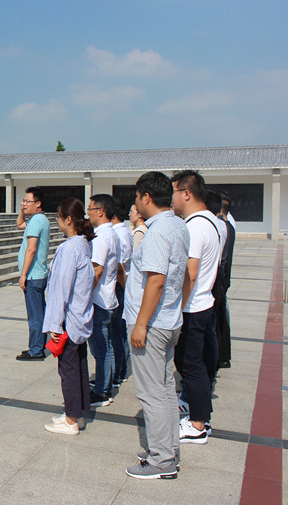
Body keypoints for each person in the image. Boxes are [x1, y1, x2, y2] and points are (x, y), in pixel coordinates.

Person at [123, 171, 188, 480]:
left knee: (151, 393)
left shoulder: (158, 232)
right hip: (168, 320)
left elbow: (156, 281)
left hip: (151, 324)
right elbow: (184, 276)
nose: (136, 202)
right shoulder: (178, 225)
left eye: (137, 197)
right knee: (164, 389)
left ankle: (161, 460)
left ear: (146, 197)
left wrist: (141, 324)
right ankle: (168, 449)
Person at [171, 170, 223, 446]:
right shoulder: (213, 222)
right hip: (205, 303)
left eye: (173, 192)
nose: (171, 199)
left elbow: (189, 274)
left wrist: (177, 310)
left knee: (190, 366)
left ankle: (197, 425)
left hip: (192, 307)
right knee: (197, 365)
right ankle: (198, 413)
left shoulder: (194, 227)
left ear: (186, 193)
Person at [42, 198, 95, 435]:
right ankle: (77, 413)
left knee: (69, 369)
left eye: (59, 217)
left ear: (68, 219)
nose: (57, 221)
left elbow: (61, 289)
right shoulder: (82, 244)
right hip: (79, 316)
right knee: (79, 366)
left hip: (69, 319)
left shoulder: (70, 248)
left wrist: (55, 323)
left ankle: (71, 419)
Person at [86, 194, 120, 407]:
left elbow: (96, 270)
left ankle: (102, 391)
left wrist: (84, 295)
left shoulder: (101, 237)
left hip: (99, 300)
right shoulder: (112, 233)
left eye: (90, 209)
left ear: (100, 211)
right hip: (108, 298)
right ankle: (105, 382)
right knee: (106, 346)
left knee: (101, 349)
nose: (87, 213)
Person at [16, 187, 51, 361]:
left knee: (35, 315)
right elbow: (19, 224)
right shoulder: (38, 219)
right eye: (23, 201)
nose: (24, 204)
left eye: (27, 201)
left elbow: (31, 249)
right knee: (39, 312)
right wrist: (22, 211)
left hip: (32, 275)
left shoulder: (36, 221)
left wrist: (23, 274)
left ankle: (36, 350)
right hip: (38, 275)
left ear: (38, 203)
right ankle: (37, 345)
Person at [110, 197, 134, 389]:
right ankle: (122, 370)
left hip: (119, 285)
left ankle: (117, 373)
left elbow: (119, 268)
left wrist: (124, 289)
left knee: (115, 333)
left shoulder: (117, 234)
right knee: (120, 332)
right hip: (122, 285)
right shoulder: (125, 231)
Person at [216, 193, 236, 369]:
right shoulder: (229, 226)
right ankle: (223, 356)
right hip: (224, 280)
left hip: (221, 281)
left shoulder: (222, 227)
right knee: (222, 319)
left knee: (220, 320)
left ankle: (221, 356)